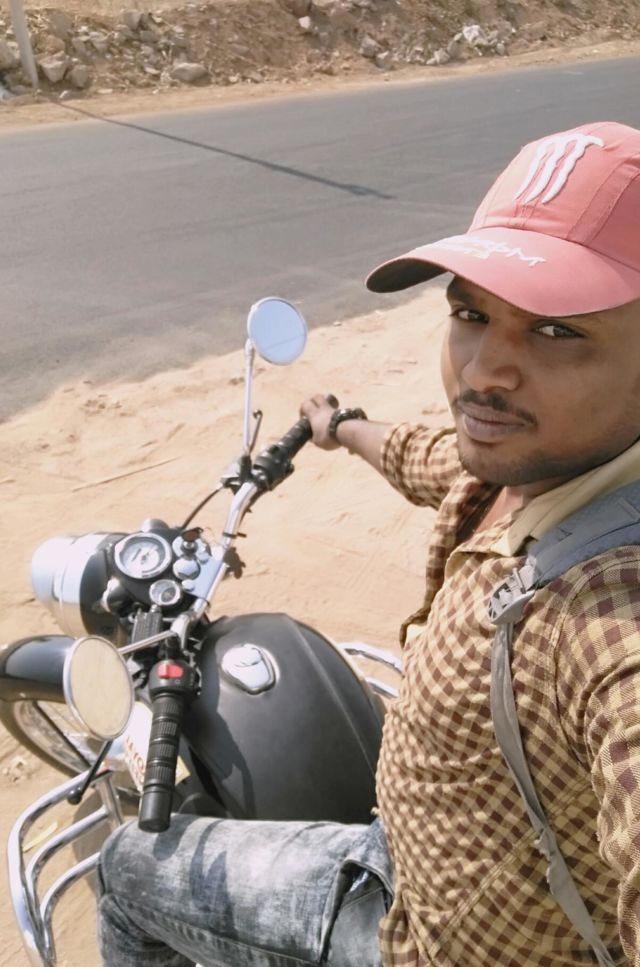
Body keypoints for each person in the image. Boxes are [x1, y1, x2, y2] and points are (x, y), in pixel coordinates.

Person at [98, 120, 640, 966]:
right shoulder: (530, 461)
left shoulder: (609, 609)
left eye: (558, 330)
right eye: (471, 313)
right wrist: (341, 425)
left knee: (129, 869)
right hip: (417, 859)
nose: (482, 371)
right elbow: (428, 458)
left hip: (414, 941)